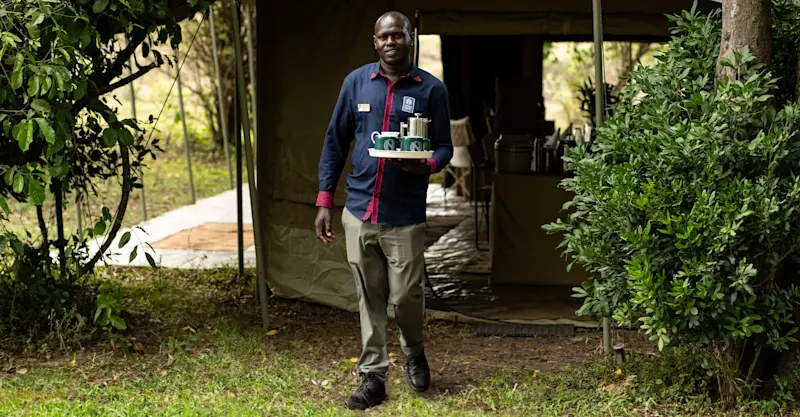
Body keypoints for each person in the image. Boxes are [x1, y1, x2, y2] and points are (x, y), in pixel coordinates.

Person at [314, 10, 453, 410]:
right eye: (383, 37)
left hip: (404, 213)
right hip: (359, 209)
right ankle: (373, 375)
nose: (391, 42)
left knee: (407, 293)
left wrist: (424, 164)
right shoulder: (355, 83)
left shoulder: (432, 90)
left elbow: (444, 145)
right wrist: (325, 199)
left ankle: (414, 351)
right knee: (369, 296)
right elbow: (335, 143)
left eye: (398, 35)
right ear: (375, 42)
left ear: (411, 38)